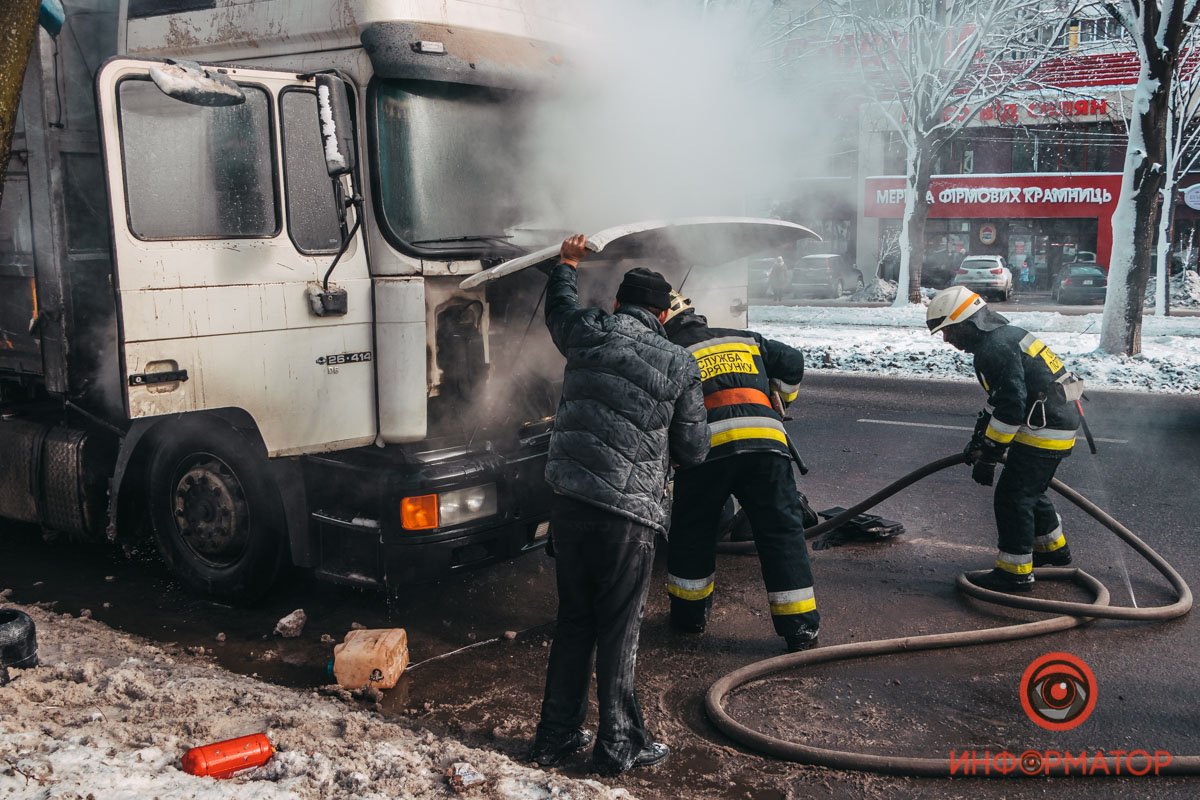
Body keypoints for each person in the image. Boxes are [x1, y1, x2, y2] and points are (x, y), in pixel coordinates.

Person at [527, 234, 710, 776]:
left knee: (575, 622)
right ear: (661, 311)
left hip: (568, 504)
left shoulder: (586, 332)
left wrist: (567, 263)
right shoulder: (678, 362)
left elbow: (557, 309)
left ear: (616, 303)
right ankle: (619, 744)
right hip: (626, 517)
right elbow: (695, 449)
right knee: (618, 630)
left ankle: (555, 736)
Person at [661, 290, 820, 653]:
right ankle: (800, 629)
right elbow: (793, 359)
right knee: (781, 533)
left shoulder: (669, 352)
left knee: (693, 533)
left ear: (663, 320)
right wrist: (781, 397)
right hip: (767, 445)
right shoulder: (743, 338)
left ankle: (689, 618)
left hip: (708, 453)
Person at [926, 286, 1082, 593]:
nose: (947, 340)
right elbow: (998, 401)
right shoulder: (1006, 337)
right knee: (1029, 489)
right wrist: (979, 437)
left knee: (1013, 497)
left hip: (1044, 429)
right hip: (1056, 421)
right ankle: (1053, 550)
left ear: (969, 324)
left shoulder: (993, 350)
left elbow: (1011, 410)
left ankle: (1015, 573)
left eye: (949, 331)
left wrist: (990, 455)